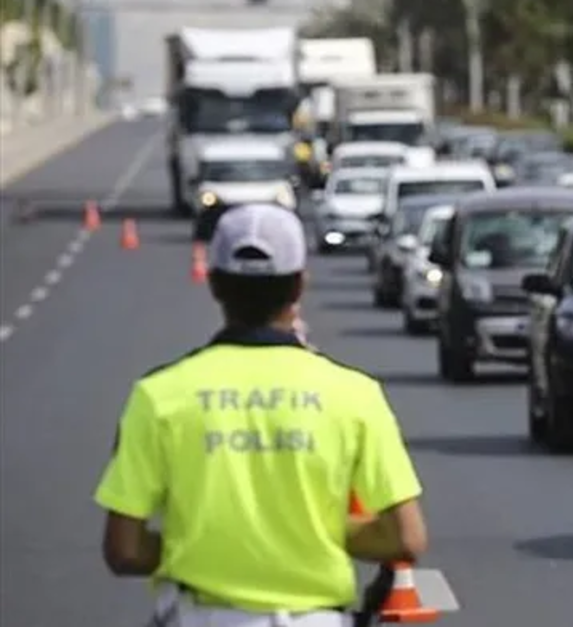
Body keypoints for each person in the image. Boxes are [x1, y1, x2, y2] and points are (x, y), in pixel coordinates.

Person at [94, 203, 428, 626]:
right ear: (300, 285)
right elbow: (406, 537)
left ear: (214, 284)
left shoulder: (159, 396)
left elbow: (124, 550)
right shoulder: (354, 395)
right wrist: (306, 533)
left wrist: (201, 543)